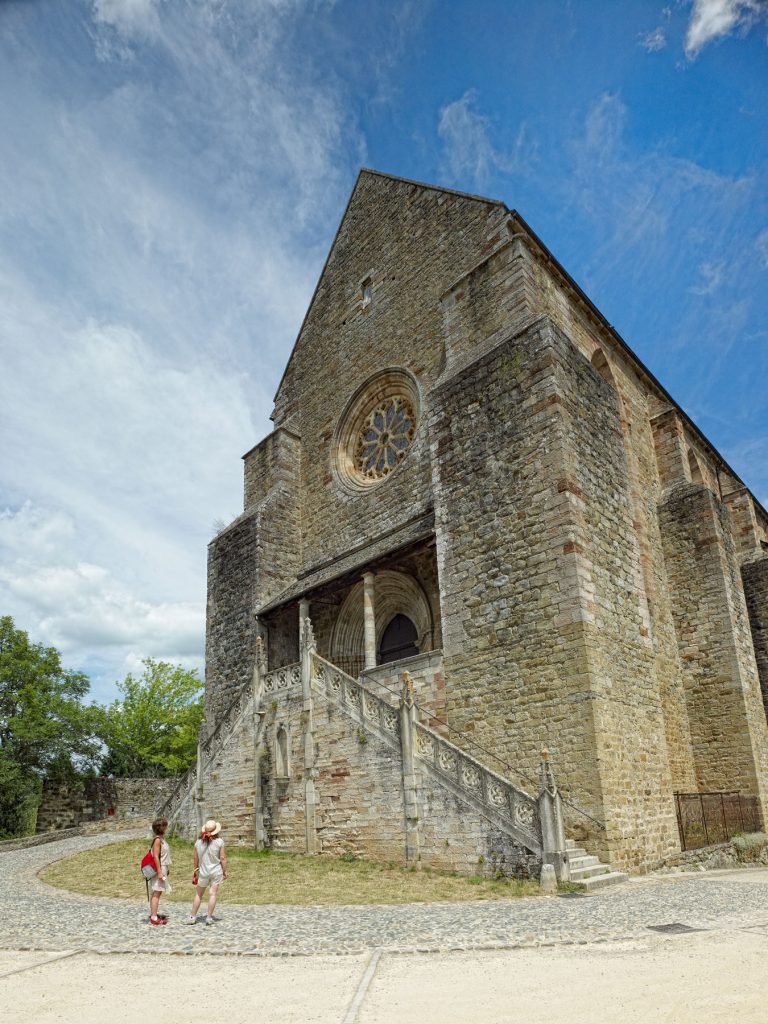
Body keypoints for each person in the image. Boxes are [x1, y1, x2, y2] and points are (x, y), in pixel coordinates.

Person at [188, 818, 228, 926]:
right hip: (216, 870)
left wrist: (195, 869)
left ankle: (192, 916)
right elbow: (223, 858)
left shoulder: (198, 843)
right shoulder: (219, 842)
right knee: (212, 894)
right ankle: (209, 917)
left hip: (203, 871)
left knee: (198, 894)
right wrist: (225, 871)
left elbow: (195, 858)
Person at [148, 817, 172, 926]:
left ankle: (154, 913)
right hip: (160, 868)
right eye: (165, 825)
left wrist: (167, 868)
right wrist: (159, 871)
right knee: (157, 892)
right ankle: (153, 917)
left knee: (158, 892)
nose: (167, 827)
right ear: (161, 827)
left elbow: (163, 856)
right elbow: (156, 857)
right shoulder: (157, 840)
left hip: (163, 867)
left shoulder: (162, 839)